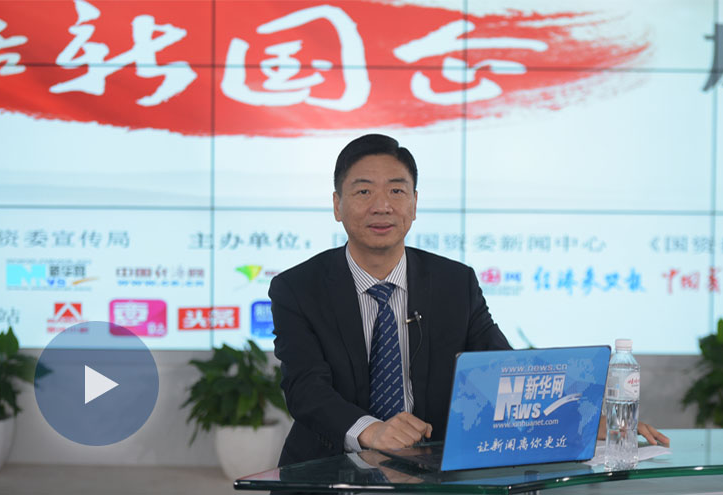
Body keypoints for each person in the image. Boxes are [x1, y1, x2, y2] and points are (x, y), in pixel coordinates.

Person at [269, 134, 668, 467]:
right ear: (337, 205)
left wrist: (580, 422)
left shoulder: (454, 283)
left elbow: (504, 372)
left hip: (432, 470)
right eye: (363, 191)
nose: (382, 205)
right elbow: (305, 388)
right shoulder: (298, 288)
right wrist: (371, 431)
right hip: (327, 468)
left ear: (414, 204)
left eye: (396, 190)